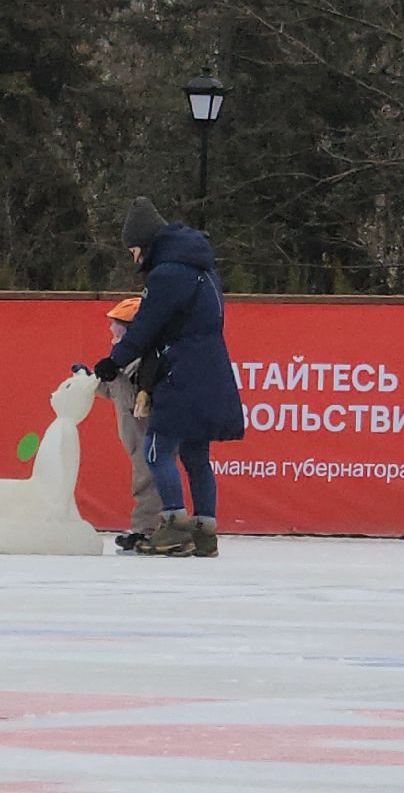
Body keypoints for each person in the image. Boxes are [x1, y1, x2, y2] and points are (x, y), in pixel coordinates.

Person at [93, 197, 241, 557]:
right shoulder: (204, 270)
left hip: (180, 369)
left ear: (146, 244)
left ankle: (174, 527)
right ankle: (205, 531)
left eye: (133, 250)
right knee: (196, 455)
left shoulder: (168, 273)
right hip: (212, 367)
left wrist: (115, 361)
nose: (133, 258)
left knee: (156, 451)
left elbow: (147, 325)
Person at [93, 297, 163, 551]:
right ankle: (147, 528)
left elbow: (135, 397)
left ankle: (147, 530)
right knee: (143, 475)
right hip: (132, 433)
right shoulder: (123, 360)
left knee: (148, 478)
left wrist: (115, 377)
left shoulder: (144, 361)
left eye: (117, 325)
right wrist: (90, 379)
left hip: (145, 431)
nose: (112, 330)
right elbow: (112, 391)